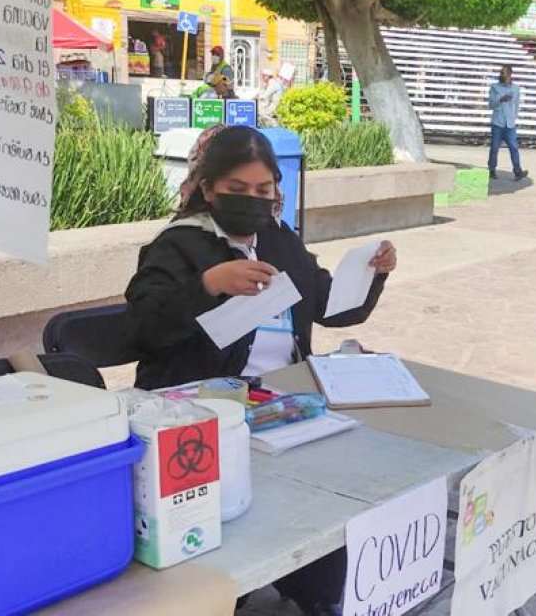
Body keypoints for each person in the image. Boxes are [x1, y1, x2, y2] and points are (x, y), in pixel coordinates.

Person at [123, 126, 397, 616]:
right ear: (209, 189)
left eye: (263, 190)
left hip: (285, 401)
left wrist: (372, 273)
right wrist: (209, 284)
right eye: (237, 189)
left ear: (276, 191)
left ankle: (314, 591)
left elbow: (331, 307)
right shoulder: (179, 246)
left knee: (338, 484)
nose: (252, 200)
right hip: (206, 409)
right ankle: (226, 595)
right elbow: (144, 326)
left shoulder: (280, 240)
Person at [487, 65, 528, 181]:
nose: (500, 75)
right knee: (494, 148)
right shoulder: (495, 88)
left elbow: (516, 105)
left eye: (503, 73)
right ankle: (492, 169)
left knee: (514, 148)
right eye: (500, 72)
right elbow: (491, 105)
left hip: (510, 124)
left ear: (509, 74)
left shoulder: (516, 88)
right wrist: (500, 100)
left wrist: (513, 118)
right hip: (498, 122)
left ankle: (517, 171)